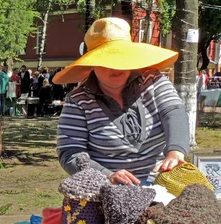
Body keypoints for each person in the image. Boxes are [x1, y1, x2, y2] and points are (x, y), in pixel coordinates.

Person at [54, 17, 189, 186]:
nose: (115, 66)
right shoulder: (78, 100)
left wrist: (176, 151)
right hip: (105, 190)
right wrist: (107, 176)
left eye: (120, 57)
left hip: (162, 184)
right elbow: (70, 153)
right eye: (106, 60)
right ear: (92, 65)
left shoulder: (153, 80)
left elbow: (173, 112)